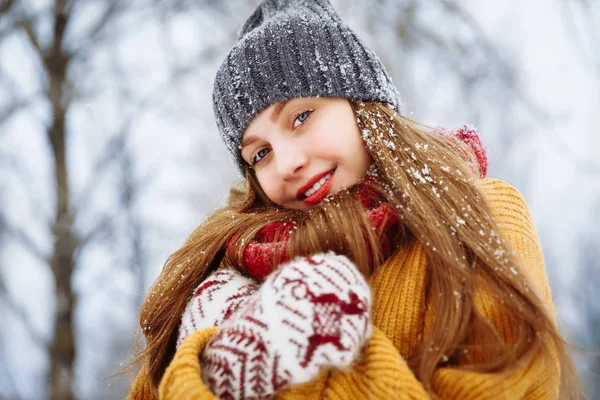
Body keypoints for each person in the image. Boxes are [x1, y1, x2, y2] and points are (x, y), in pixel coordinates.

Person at [127, 0, 582, 399]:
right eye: (259, 153)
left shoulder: (477, 211)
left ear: (363, 105)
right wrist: (211, 351)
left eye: (301, 116)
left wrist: (295, 365)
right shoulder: (225, 279)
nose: (285, 164)